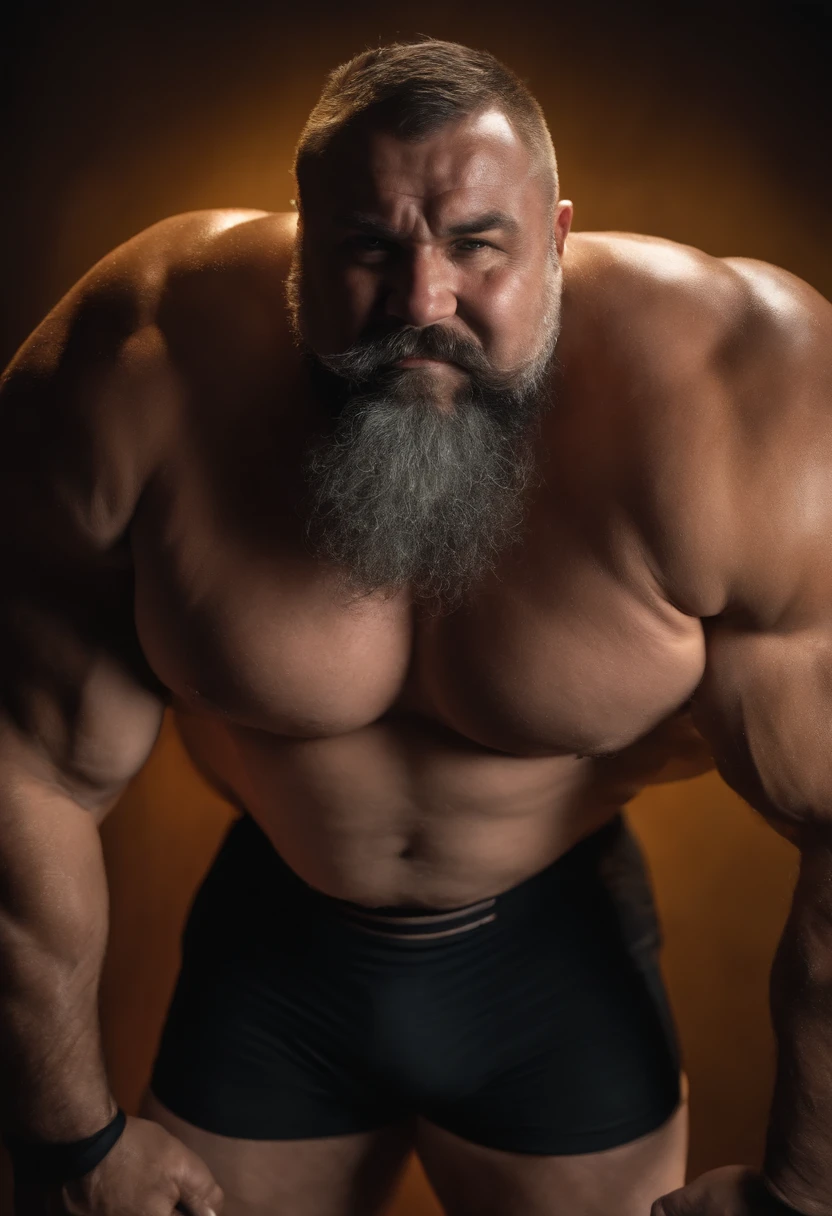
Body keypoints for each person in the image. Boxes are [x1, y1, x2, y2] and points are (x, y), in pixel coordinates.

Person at [0, 35, 829, 1216]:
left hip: (552, 972)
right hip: (274, 959)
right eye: (366, 249)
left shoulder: (743, 393)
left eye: (477, 246)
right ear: (301, 238)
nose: (419, 303)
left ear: (556, 235)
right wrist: (63, 1143)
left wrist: (809, 1187)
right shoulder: (140, 355)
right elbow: (19, 760)